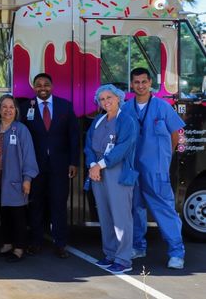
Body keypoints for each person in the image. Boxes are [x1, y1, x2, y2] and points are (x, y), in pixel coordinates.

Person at [121, 67, 186, 269]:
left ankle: (176, 253)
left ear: (150, 83)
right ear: (131, 85)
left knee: (164, 209)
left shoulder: (162, 107)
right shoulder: (125, 108)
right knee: (135, 209)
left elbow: (176, 135)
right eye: (136, 82)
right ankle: (138, 246)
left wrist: (164, 158)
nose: (140, 85)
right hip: (133, 169)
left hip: (155, 169)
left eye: (144, 82)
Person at [18, 73, 79, 259]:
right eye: (38, 85)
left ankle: (60, 244)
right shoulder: (25, 107)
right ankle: (35, 242)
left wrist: (73, 162)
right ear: (34, 88)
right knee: (36, 204)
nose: (42, 88)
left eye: (46, 84)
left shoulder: (65, 106)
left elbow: (74, 137)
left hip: (60, 166)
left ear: (52, 86)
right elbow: (22, 138)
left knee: (59, 204)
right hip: (34, 166)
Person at [85, 84, 139, 274]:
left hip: (118, 171)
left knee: (121, 216)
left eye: (109, 97)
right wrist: (93, 166)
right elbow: (88, 145)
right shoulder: (98, 121)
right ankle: (109, 254)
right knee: (105, 215)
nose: (106, 102)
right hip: (97, 172)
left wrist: (101, 164)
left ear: (118, 98)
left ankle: (123, 259)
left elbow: (123, 148)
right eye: (102, 99)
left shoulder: (127, 121)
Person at [0, 94, 38, 263]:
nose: (8, 110)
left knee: (17, 214)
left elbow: (29, 156)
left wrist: (27, 179)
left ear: (16, 110)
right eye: (4, 107)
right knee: (2, 213)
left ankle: (19, 248)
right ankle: (7, 244)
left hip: (15, 179)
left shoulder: (21, 130)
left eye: (11, 107)